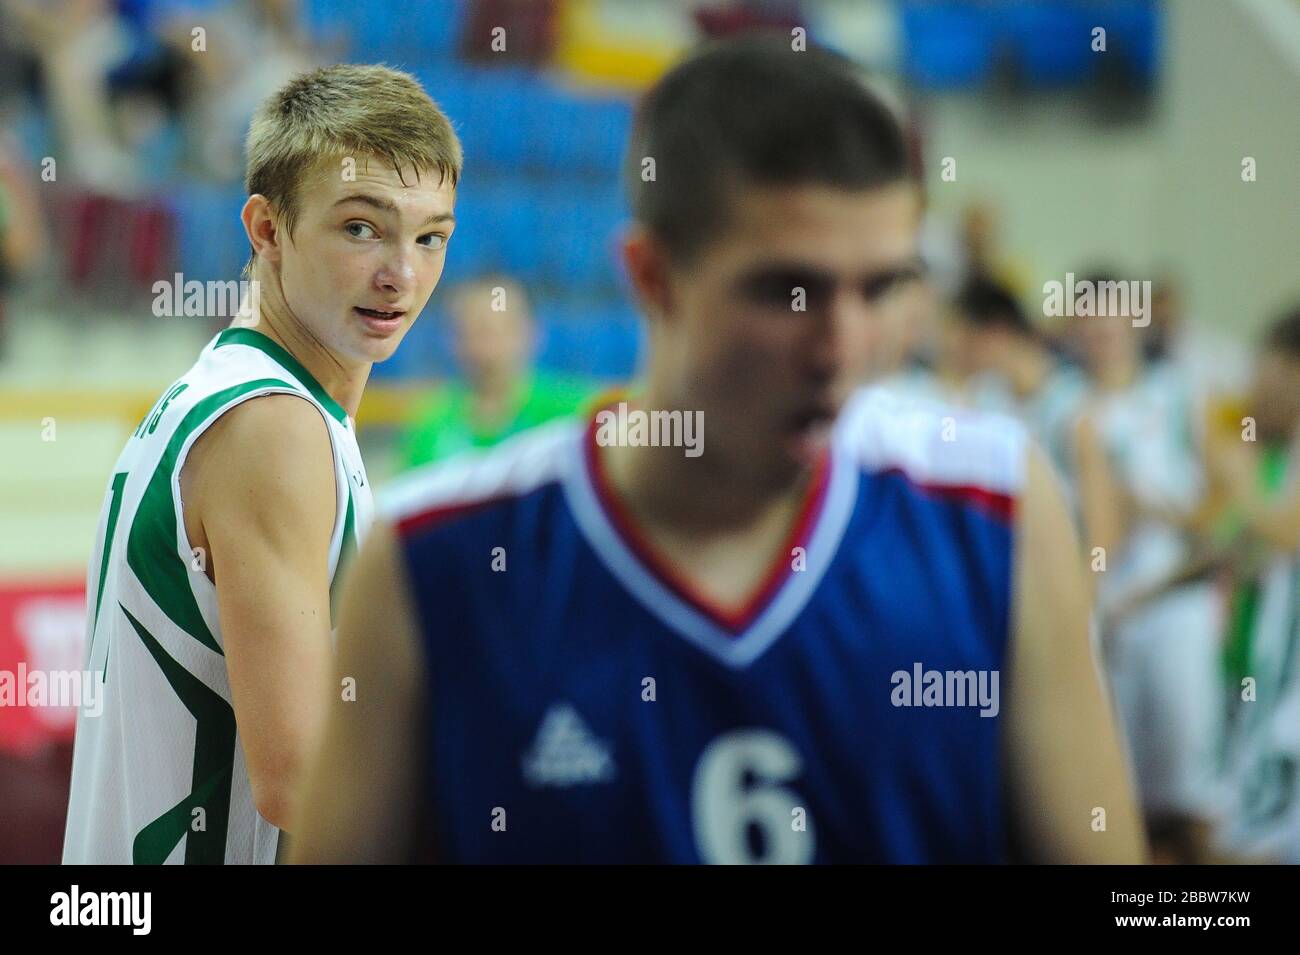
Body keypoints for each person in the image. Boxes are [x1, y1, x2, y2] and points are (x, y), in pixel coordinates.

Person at [292, 37, 1143, 864]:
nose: (842, 346)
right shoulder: (432, 561)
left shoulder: (993, 505)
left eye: (882, 287)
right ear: (652, 277)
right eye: (787, 291)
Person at [61, 64, 461, 864]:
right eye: (361, 227)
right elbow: (301, 780)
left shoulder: (234, 394)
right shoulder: (273, 426)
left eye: (430, 236)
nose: (402, 273)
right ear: (267, 229)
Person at [400, 274, 595, 468]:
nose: (486, 346)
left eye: (497, 330)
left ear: (532, 331)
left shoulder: (573, 416)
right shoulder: (430, 425)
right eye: (471, 331)